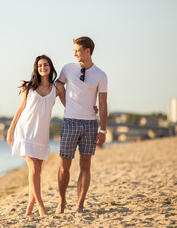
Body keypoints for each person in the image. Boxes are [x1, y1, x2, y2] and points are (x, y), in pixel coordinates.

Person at [7, 54, 66, 216]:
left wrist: (90, 109)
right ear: (36, 68)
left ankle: (28, 210)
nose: (43, 68)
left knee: (37, 171)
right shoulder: (28, 87)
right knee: (33, 168)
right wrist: (10, 130)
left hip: (41, 135)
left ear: (50, 67)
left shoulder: (57, 88)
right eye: (40, 65)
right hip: (25, 132)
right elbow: (20, 109)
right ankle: (41, 208)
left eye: (45, 65)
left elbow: (70, 106)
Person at [56, 36, 108, 214]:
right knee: (64, 165)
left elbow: (103, 103)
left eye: (77, 50)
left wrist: (102, 130)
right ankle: (62, 201)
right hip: (69, 121)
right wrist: (67, 105)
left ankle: (79, 205)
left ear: (87, 51)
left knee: (85, 165)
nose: (74, 53)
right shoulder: (68, 68)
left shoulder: (101, 75)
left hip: (90, 125)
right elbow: (58, 87)